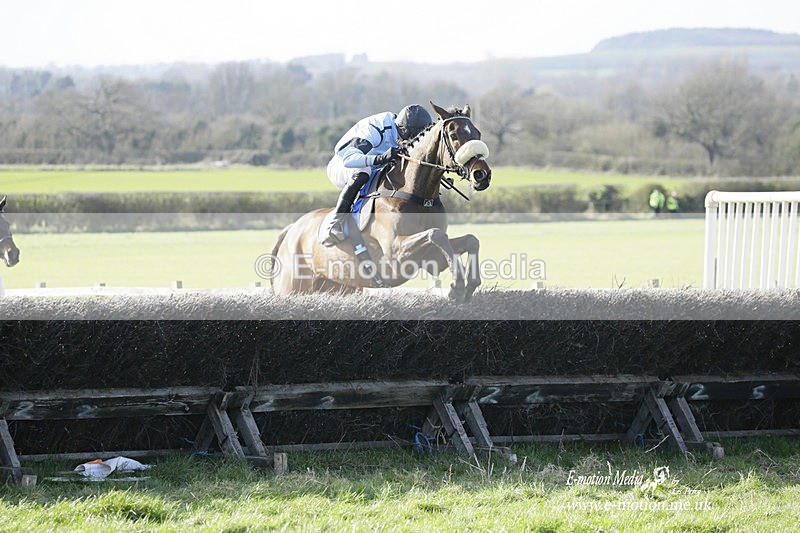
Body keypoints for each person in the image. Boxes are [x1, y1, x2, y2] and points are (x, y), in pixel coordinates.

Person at [320, 104, 433, 246]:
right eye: (411, 136)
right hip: (342, 164)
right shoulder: (376, 129)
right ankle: (336, 222)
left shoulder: (403, 129)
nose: (411, 141)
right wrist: (380, 159)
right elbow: (350, 159)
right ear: (403, 129)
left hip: (373, 165)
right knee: (363, 171)